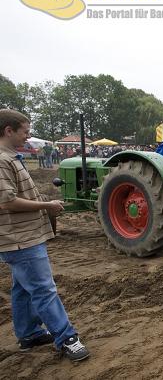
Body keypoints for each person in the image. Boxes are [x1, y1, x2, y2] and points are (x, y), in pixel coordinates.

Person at [0, 109, 90, 362]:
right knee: (43, 288)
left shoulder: (10, 157)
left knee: (22, 288)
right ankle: (66, 338)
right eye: (25, 132)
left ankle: (28, 334)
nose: (28, 137)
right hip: (20, 238)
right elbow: (6, 202)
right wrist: (46, 206)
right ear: (9, 131)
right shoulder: (2, 160)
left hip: (22, 235)